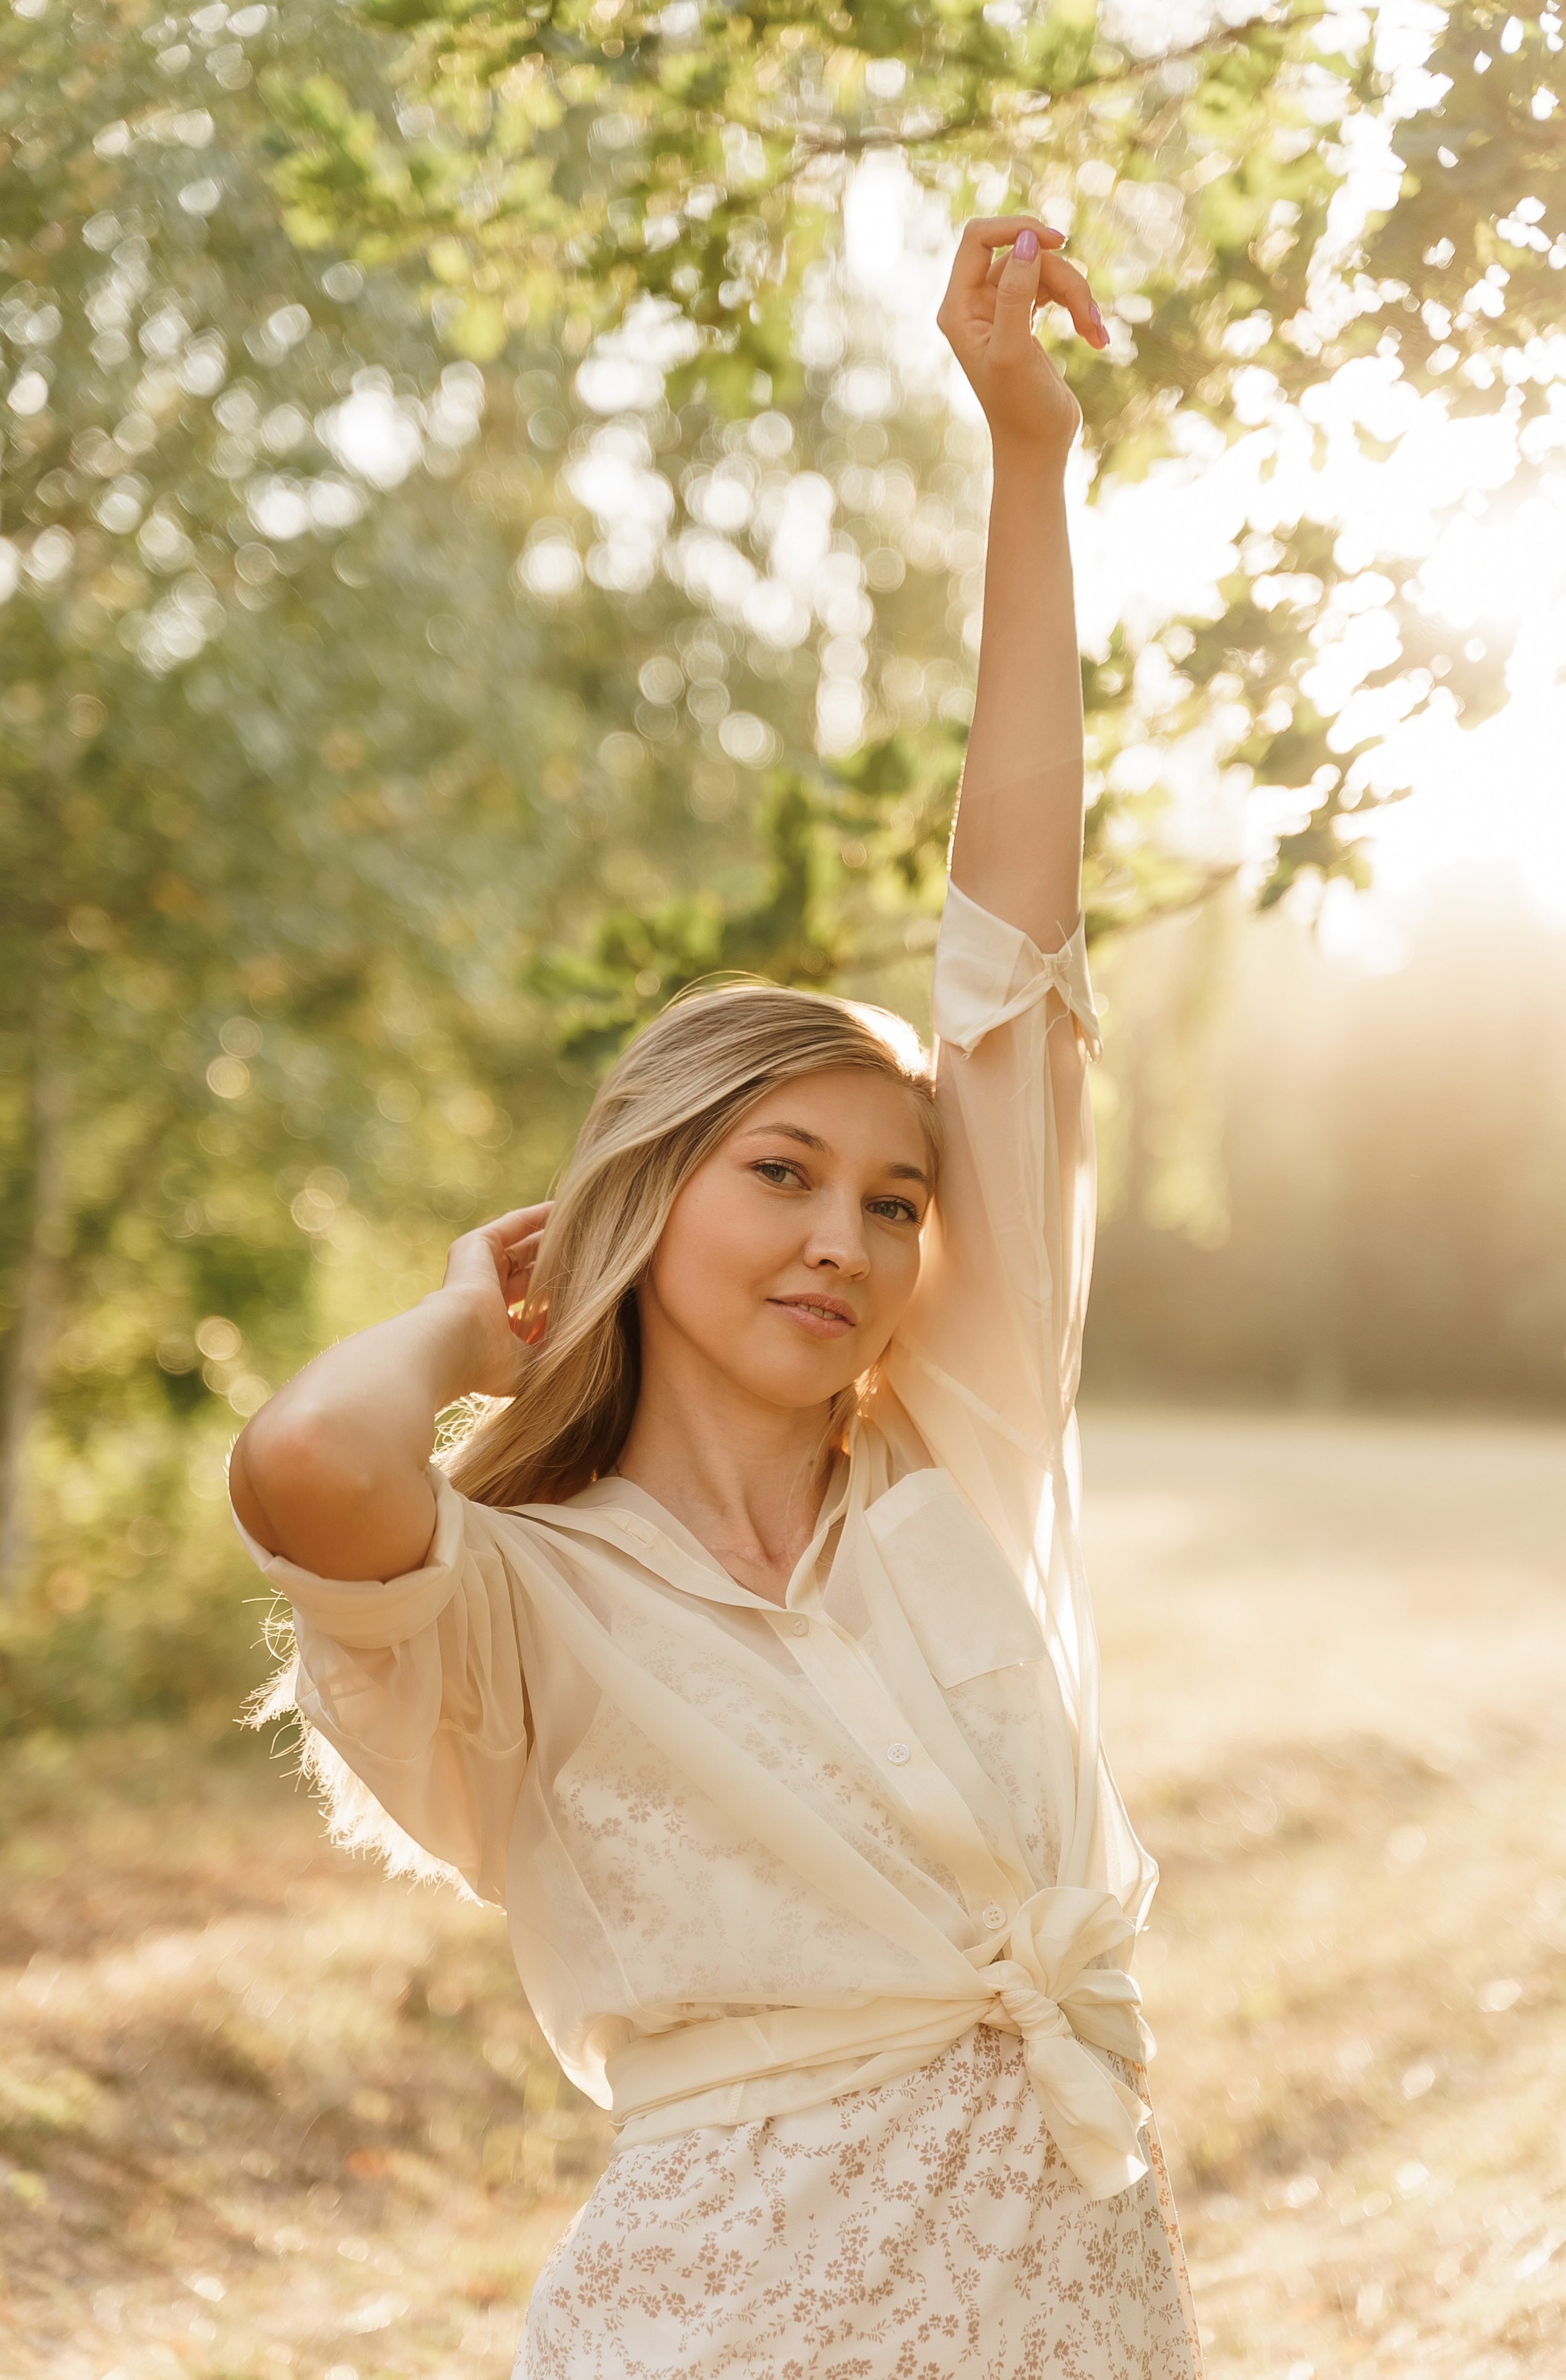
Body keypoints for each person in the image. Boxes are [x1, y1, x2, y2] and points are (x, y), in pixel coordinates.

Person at [231, 218, 1202, 2379]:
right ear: (642, 1208)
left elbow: (1014, 940)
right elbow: (304, 1468)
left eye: (892, 1194)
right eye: (778, 1176)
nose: (845, 1239)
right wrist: (467, 1329)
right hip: (720, 2316)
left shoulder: (965, 1457)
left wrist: (1024, 458)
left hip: (1076, 2293)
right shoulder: (519, 1593)